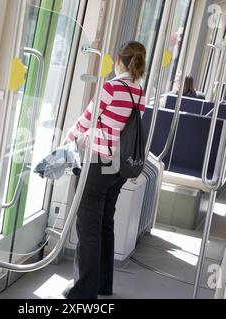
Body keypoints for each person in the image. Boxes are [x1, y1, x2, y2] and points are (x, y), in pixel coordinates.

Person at [63, 41, 147, 299]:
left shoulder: (111, 88)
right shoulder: (138, 92)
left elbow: (87, 119)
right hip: (119, 168)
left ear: (119, 61)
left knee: (88, 226)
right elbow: (121, 125)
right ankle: (103, 284)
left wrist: (70, 136)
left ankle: (83, 292)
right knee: (104, 224)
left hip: (98, 164)